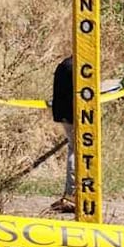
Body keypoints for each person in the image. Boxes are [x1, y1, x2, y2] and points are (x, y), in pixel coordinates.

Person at [48, 56, 76, 213]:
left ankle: (71, 192)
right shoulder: (76, 67)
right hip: (74, 114)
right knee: (77, 151)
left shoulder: (63, 65)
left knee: (74, 149)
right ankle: (72, 193)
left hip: (63, 113)